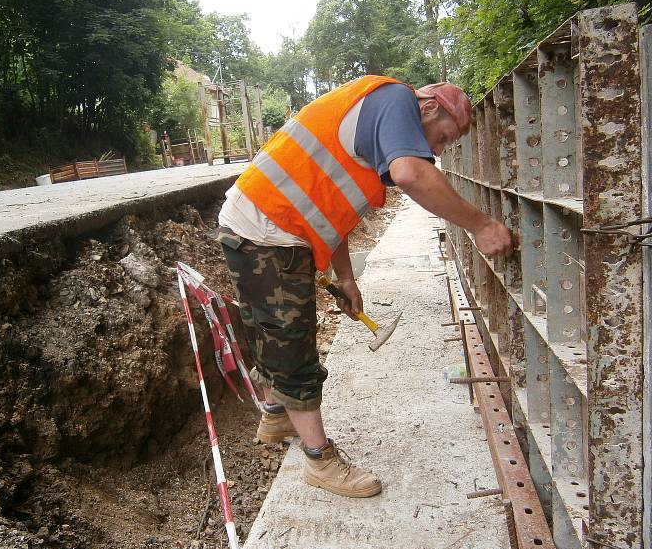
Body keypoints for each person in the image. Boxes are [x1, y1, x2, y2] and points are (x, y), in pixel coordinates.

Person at [216, 76, 513, 498]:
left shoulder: (375, 116)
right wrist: (481, 224)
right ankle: (319, 460)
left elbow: (335, 208)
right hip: (268, 228)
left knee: (270, 328)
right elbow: (411, 174)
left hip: (264, 224)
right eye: (444, 137)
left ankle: (276, 414)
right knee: (291, 341)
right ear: (430, 109)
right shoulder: (396, 100)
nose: (439, 150)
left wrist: (346, 278)